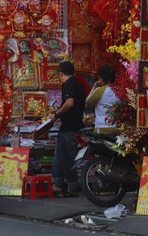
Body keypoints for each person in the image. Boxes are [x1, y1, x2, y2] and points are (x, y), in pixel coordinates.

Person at [50, 61, 85, 196]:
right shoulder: (77, 83)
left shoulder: (69, 84)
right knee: (59, 155)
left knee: (67, 157)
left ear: (61, 73)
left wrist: (56, 114)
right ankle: (57, 183)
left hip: (70, 126)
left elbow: (69, 103)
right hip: (69, 126)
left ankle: (72, 185)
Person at [85, 65, 119, 135]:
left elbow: (87, 103)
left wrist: (94, 87)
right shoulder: (119, 91)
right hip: (116, 128)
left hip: (101, 128)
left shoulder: (100, 90)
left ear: (101, 78)